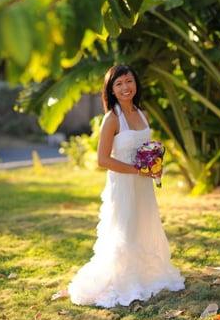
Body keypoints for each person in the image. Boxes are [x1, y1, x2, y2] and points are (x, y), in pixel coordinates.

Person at [52, 65, 185, 307]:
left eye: (129, 81)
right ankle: (124, 280)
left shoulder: (142, 113)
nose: (126, 87)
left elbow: (146, 148)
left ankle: (145, 274)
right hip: (123, 184)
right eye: (119, 84)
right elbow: (103, 160)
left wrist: (155, 165)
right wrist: (137, 170)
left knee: (143, 224)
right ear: (111, 90)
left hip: (143, 185)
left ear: (136, 84)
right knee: (124, 230)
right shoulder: (111, 119)